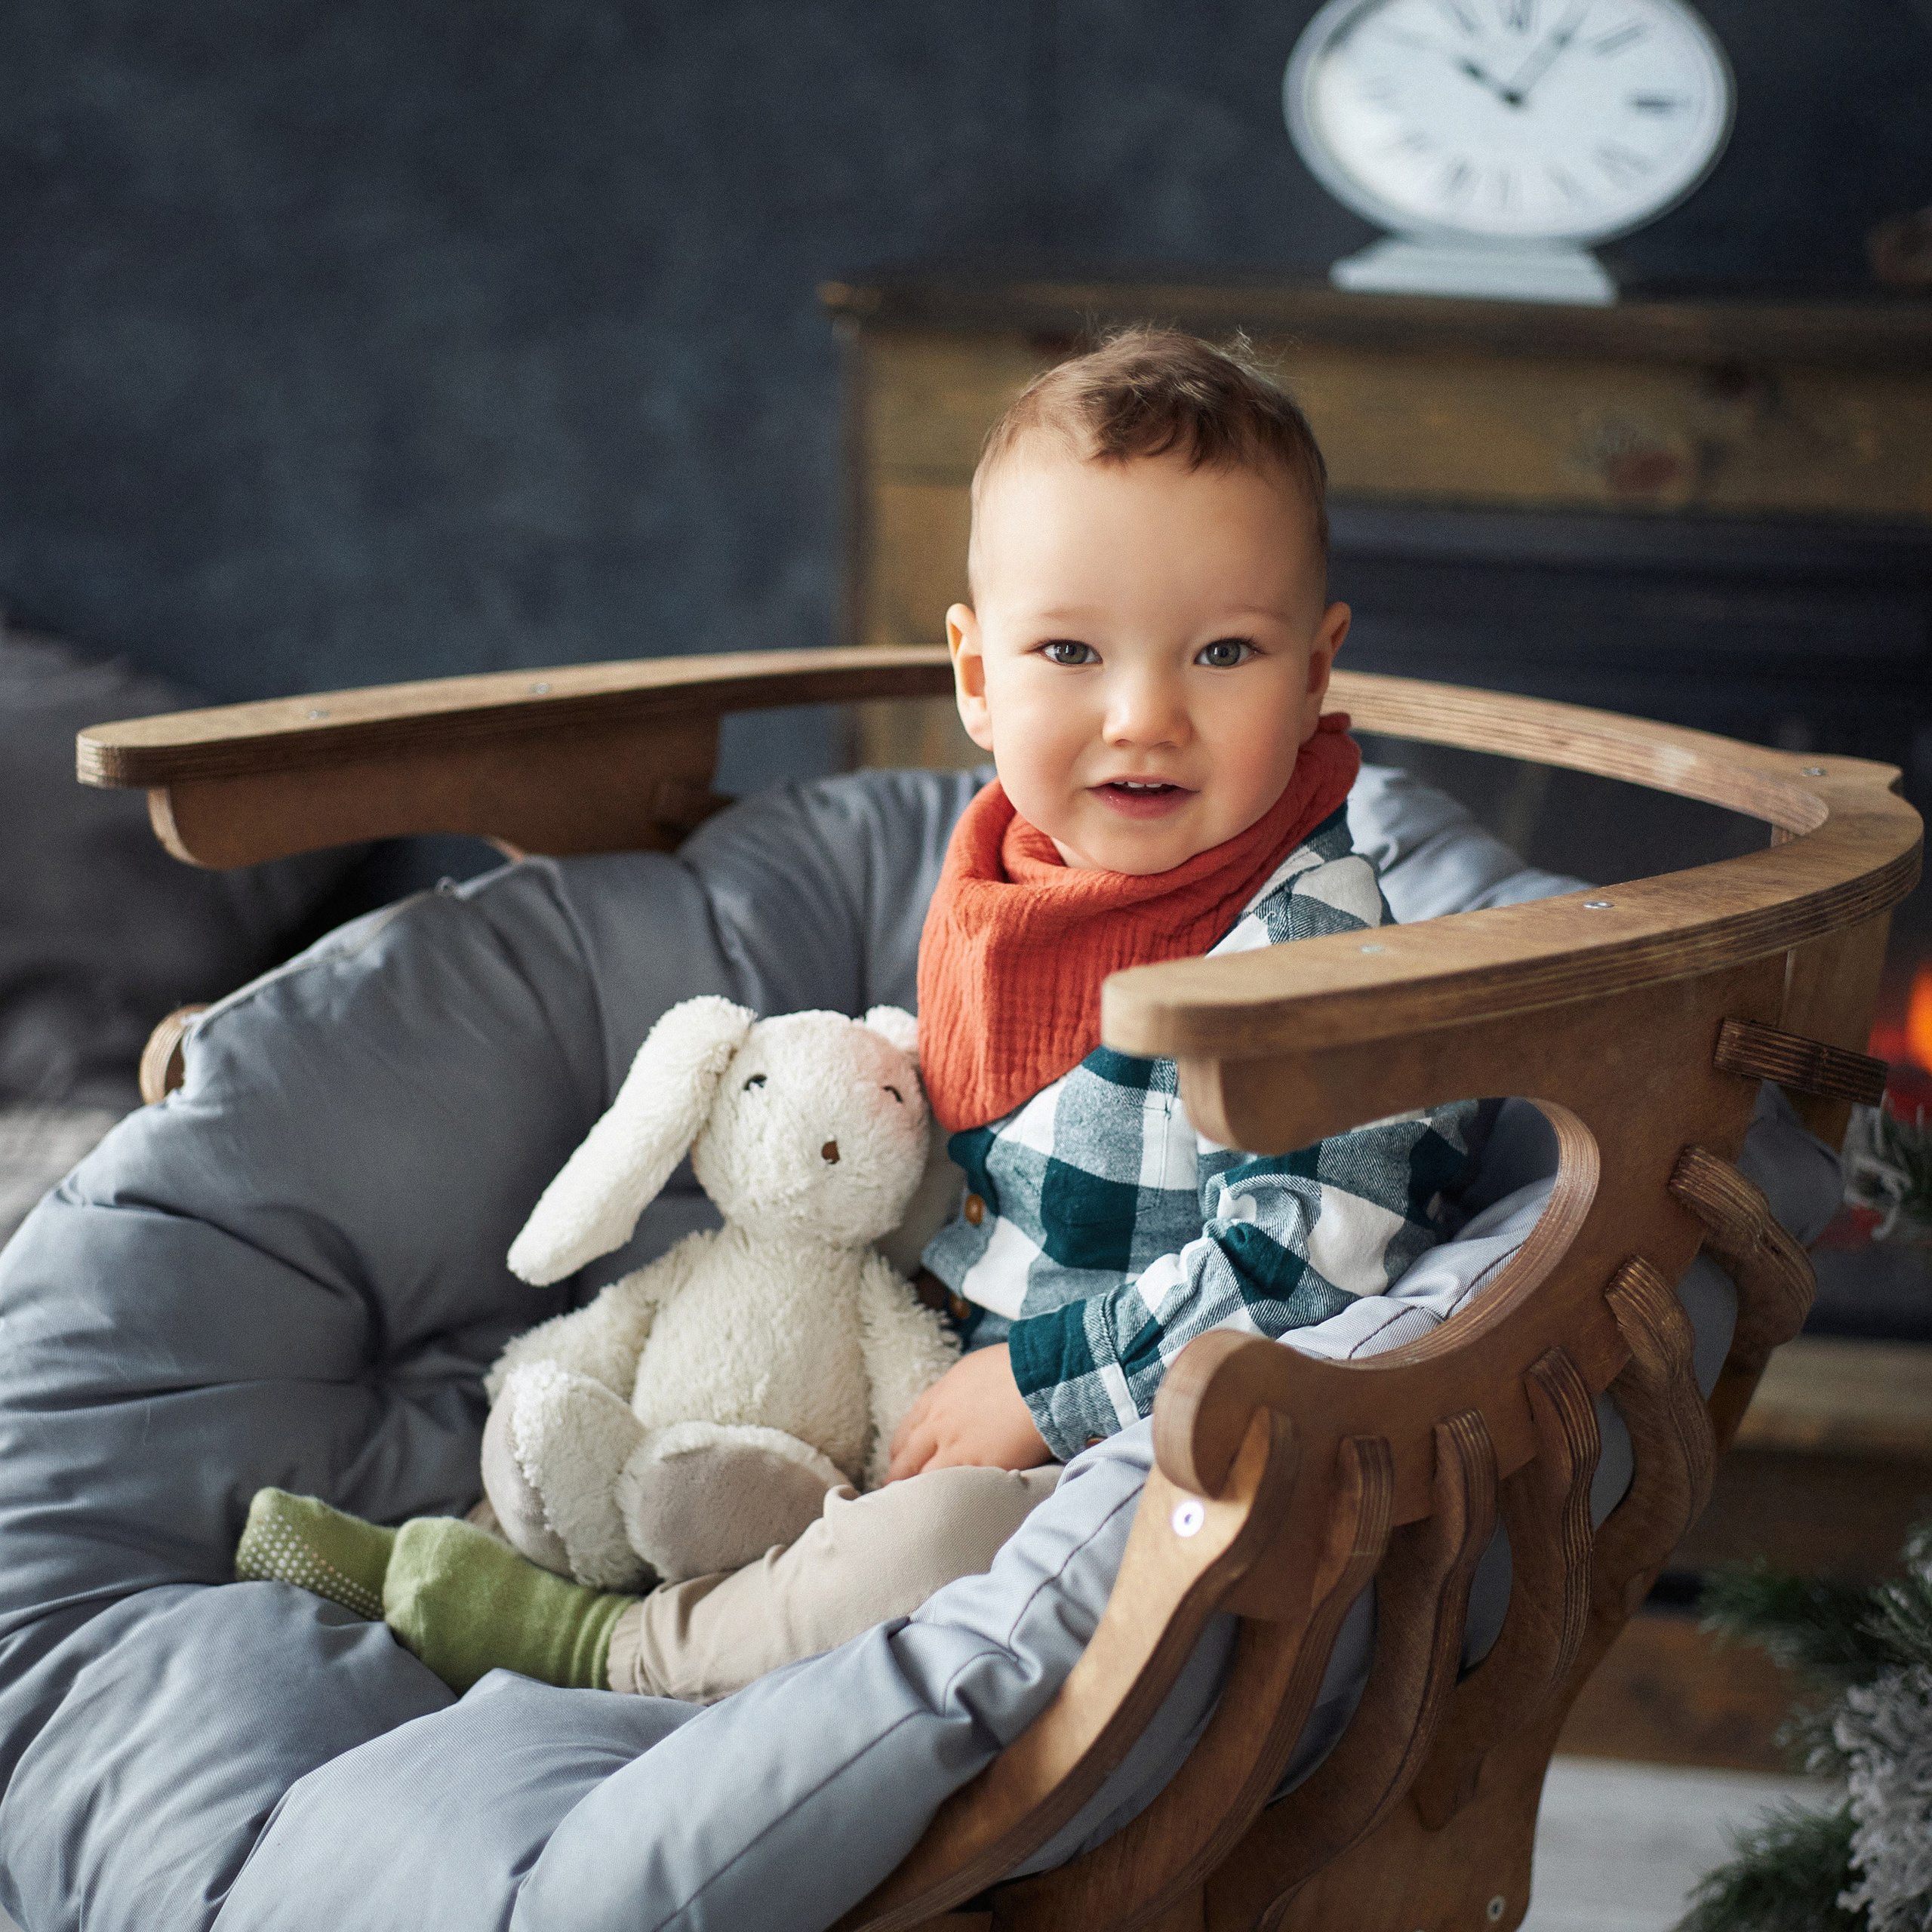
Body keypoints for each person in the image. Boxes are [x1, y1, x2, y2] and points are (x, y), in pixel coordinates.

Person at [235, 327, 1476, 1702]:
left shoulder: (1317, 960)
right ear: (976, 674)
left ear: (1315, 674)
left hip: (1122, 1461)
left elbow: (1313, 1260)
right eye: (1069, 648)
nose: (1143, 716)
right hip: (926, 1356)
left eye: (1224, 652)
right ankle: (477, 1552)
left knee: (935, 1555)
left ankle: (609, 1646)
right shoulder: (1013, 876)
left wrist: (1039, 1392)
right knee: (743, 1331)